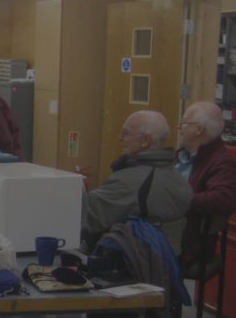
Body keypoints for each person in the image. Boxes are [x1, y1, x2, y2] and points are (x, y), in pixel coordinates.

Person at [83, 110, 192, 252]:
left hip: (130, 258)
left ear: (145, 141)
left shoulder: (129, 182)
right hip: (166, 258)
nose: (119, 138)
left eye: (126, 133)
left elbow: (85, 218)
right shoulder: (177, 177)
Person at [175, 101, 236, 275]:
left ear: (199, 130)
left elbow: (223, 200)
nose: (179, 128)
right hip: (165, 228)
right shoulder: (180, 154)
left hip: (186, 242)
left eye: (184, 122)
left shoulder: (221, 162)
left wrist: (176, 198)